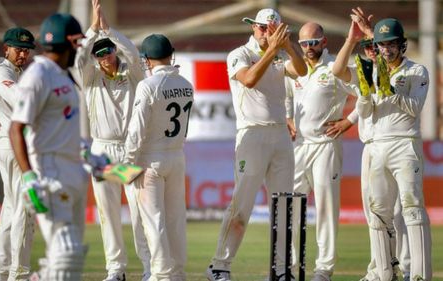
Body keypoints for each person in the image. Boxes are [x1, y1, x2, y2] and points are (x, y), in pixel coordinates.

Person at [205, 8, 307, 281]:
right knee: (241, 207)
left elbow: (301, 69)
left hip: (280, 137)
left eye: (271, 29)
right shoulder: (240, 54)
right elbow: (249, 80)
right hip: (251, 135)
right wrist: (273, 50)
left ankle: (282, 269)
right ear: (253, 27)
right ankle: (219, 265)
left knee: (284, 206)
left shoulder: (280, 54)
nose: (265, 33)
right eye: (261, 28)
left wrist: (287, 45)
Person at [331, 9, 414, 281]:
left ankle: (407, 266)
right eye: (371, 47)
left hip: (398, 142)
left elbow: (388, 91)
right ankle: (380, 270)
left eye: (377, 47)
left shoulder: (401, 70)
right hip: (372, 146)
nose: (373, 52)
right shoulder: (365, 70)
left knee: (401, 212)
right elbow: (338, 70)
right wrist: (353, 39)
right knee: (376, 214)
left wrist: (371, 35)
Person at [72, 1, 150, 280]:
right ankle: (116, 270)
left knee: (140, 211)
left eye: (109, 51)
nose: (106, 57)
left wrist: (110, 31)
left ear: (114, 51)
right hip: (102, 150)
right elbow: (78, 59)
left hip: (129, 149)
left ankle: (149, 268)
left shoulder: (133, 75)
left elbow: (133, 51)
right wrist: (93, 30)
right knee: (108, 214)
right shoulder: (90, 78)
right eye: (100, 54)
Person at [8, 13, 87, 281]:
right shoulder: (38, 74)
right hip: (49, 171)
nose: (79, 49)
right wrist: (29, 177)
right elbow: (16, 127)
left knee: (66, 259)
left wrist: (88, 153)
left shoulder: (65, 76)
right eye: (77, 43)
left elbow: (64, 125)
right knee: (67, 253)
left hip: (72, 170)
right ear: (69, 43)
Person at [284, 22, 358, 281]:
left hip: (326, 145)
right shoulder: (297, 68)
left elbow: (365, 93)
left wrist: (349, 120)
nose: (309, 48)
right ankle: (288, 267)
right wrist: (287, 117)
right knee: (289, 206)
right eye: (304, 43)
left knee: (326, 207)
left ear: (324, 42)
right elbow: (287, 93)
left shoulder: (335, 67)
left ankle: (323, 271)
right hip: (300, 145)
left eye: (313, 42)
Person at [124, 33, 193, 281]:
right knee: (175, 219)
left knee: (154, 221)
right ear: (170, 54)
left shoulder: (148, 85)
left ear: (148, 60)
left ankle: (162, 275)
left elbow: (136, 130)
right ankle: (176, 274)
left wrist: (126, 165)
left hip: (149, 160)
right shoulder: (186, 83)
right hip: (176, 156)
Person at [0, 27, 36, 281]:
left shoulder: (16, 72)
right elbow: (20, 99)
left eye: (26, 50)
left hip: (13, 143)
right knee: (22, 210)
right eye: (19, 49)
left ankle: (3, 271)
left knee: (10, 210)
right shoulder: (1, 72)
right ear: (6, 48)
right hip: (12, 143)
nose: (23, 54)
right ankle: (18, 273)